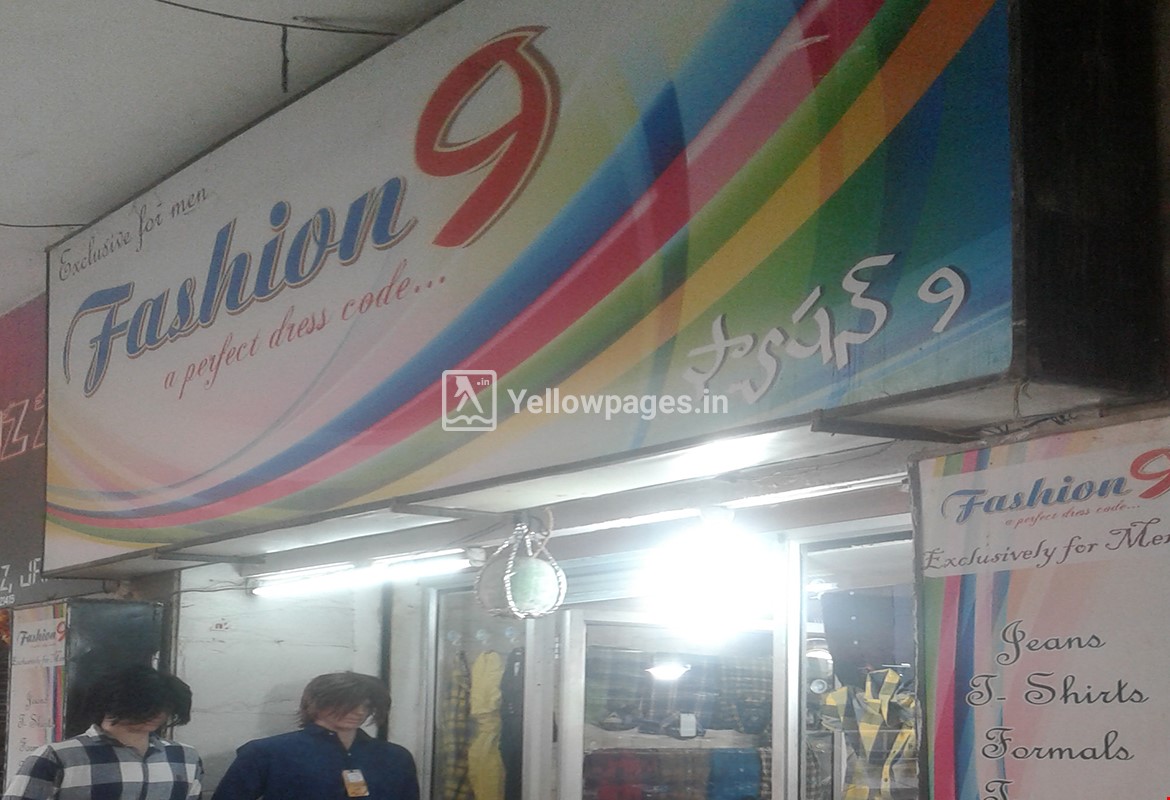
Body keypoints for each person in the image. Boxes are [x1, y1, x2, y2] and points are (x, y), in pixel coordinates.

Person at [1, 664, 203, 800]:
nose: (157, 714)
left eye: (165, 707)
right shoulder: (58, 757)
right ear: (112, 702)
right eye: (146, 706)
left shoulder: (184, 757)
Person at [211, 671, 419, 800]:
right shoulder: (266, 752)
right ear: (317, 703)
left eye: (367, 705)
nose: (359, 712)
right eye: (348, 703)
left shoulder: (395, 757)